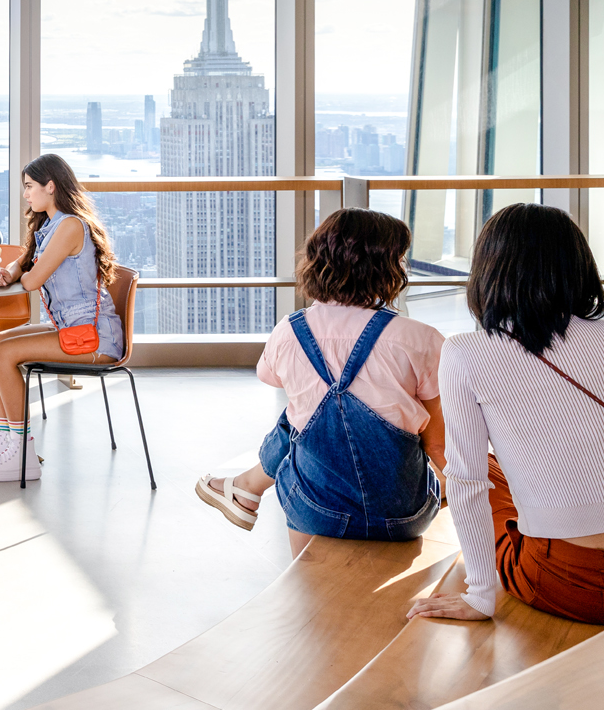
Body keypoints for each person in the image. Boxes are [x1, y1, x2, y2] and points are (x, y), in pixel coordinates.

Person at [195, 208, 445, 555]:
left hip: (316, 513)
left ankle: (249, 490)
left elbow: (270, 377)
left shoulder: (289, 332)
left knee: (302, 416)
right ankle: (246, 486)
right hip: (405, 517)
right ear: (388, 269)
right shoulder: (420, 338)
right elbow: (438, 446)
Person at [407, 204, 604, 625]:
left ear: (489, 272)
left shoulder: (465, 352)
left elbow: (466, 481)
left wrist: (480, 595)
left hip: (570, 581)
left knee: (485, 475)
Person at [0, 154, 123, 482]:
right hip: (71, 328)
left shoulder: (69, 226)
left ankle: (21, 452)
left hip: (93, 336)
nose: (25, 194)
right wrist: (10, 271)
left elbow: (31, 279)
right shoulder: (50, 225)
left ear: (50, 186)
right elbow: (23, 262)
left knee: (5, 353)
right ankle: (5, 439)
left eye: (29, 186)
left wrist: (18, 273)